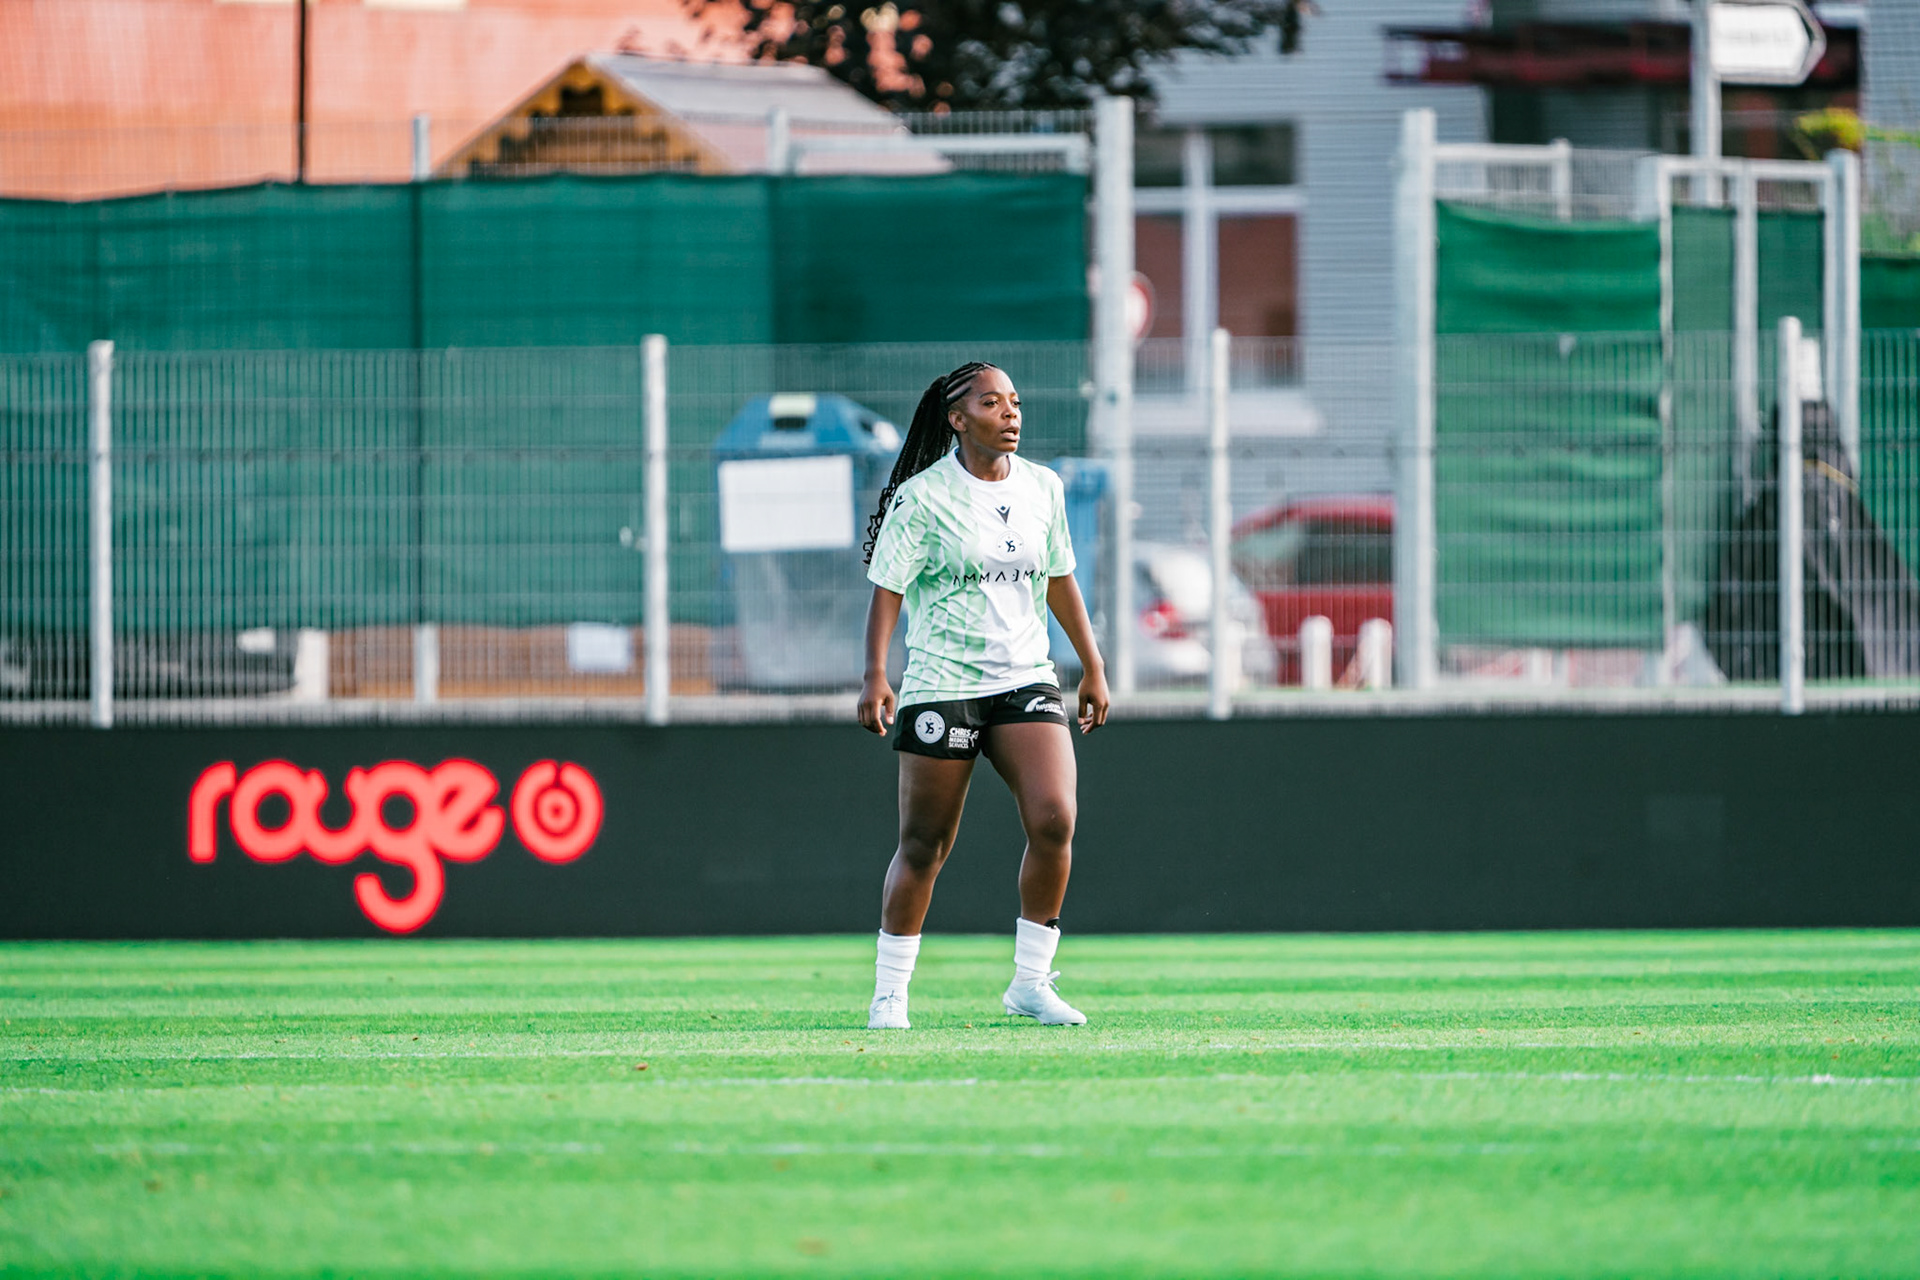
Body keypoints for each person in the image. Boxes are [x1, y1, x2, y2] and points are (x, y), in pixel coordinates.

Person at [856, 361, 1110, 1030]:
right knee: (925, 843)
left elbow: (1059, 579)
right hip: (944, 682)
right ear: (957, 419)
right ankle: (891, 994)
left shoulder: (1044, 489)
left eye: (1015, 402)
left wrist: (1092, 666)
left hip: (1025, 677)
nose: (1011, 414)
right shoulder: (923, 497)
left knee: (1055, 817)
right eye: (992, 403)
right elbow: (888, 590)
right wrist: (875, 674)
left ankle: (1030, 983)